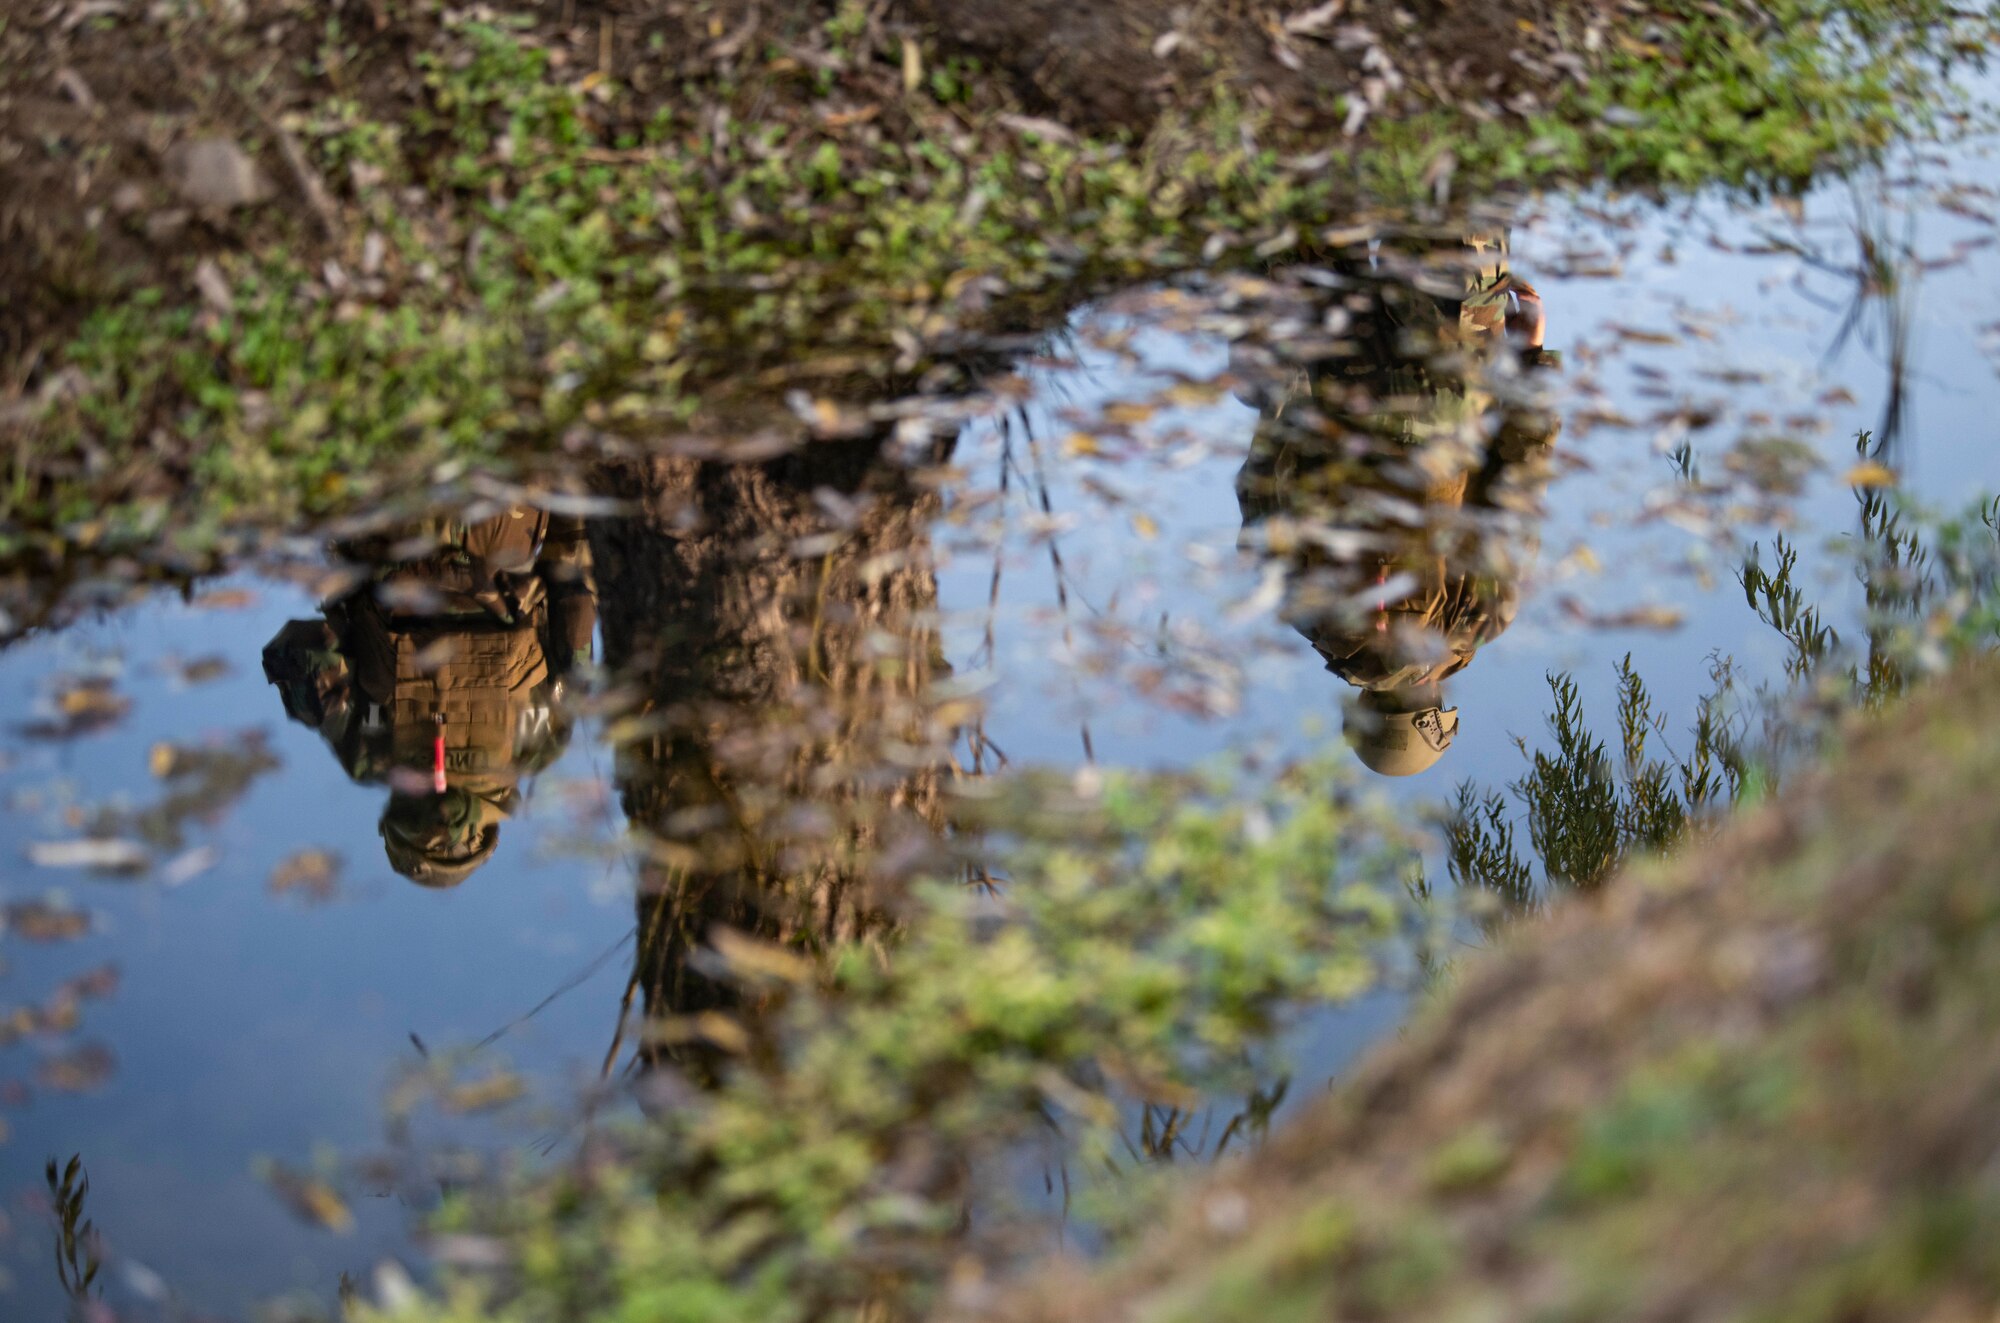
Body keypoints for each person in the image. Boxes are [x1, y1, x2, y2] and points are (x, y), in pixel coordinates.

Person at [1236, 230, 1559, 777]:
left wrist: (1529, 365)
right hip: (1339, 384)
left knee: (1455, 190)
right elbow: (1265, 490)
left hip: (1451, 385)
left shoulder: (1474, 623)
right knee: (1301, 197)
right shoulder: (1313, 616)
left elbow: (1518, 489)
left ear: (1428, 715)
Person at [262, 505, 597, 885]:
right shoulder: (373, 757)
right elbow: (304, 652)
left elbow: (574, 613)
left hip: (482, 531)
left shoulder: (533, 751)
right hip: (417, 534)